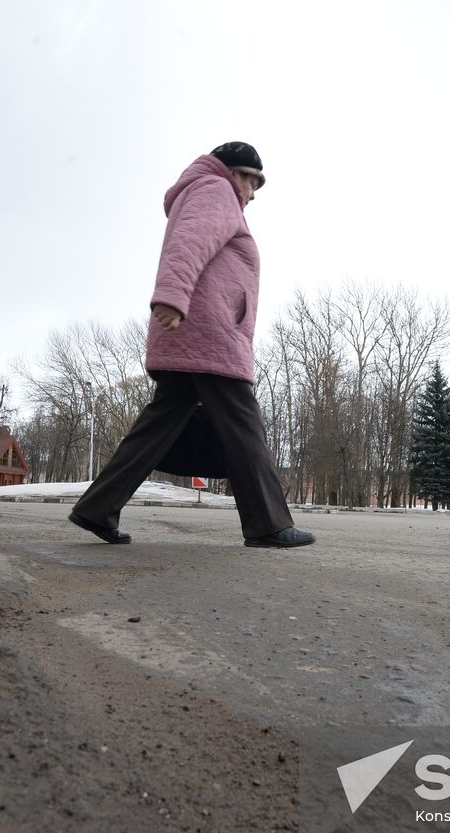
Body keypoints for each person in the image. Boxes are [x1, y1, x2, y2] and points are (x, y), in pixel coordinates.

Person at [69, 142, 314, 548]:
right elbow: (190, 241)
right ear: (235, 172)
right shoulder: (216, 190)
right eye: (252, 183)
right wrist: (172, 295)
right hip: (208, 333)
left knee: (159, 426)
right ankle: (268, 524)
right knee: (243, 423)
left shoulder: (203, 191)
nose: (252, 195)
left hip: (192, 332)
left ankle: (97, 507)